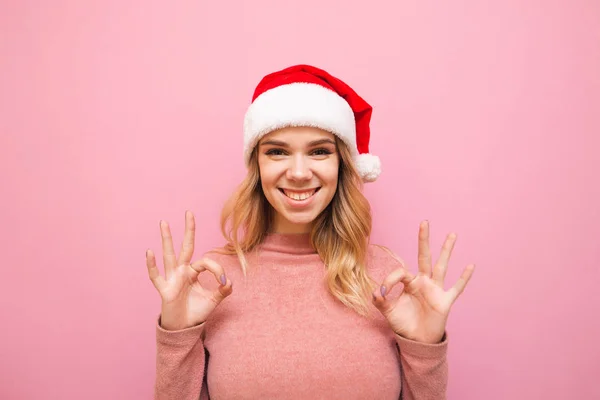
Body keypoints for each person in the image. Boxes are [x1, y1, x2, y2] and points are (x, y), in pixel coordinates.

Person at [146, 64, 475, 400]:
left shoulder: (388, 280)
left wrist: (425, 349)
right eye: (277, 151)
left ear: (341, 163)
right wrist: (177, 334)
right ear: (256, 165)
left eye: (319, 151)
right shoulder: (212, 282)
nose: (299, 172)